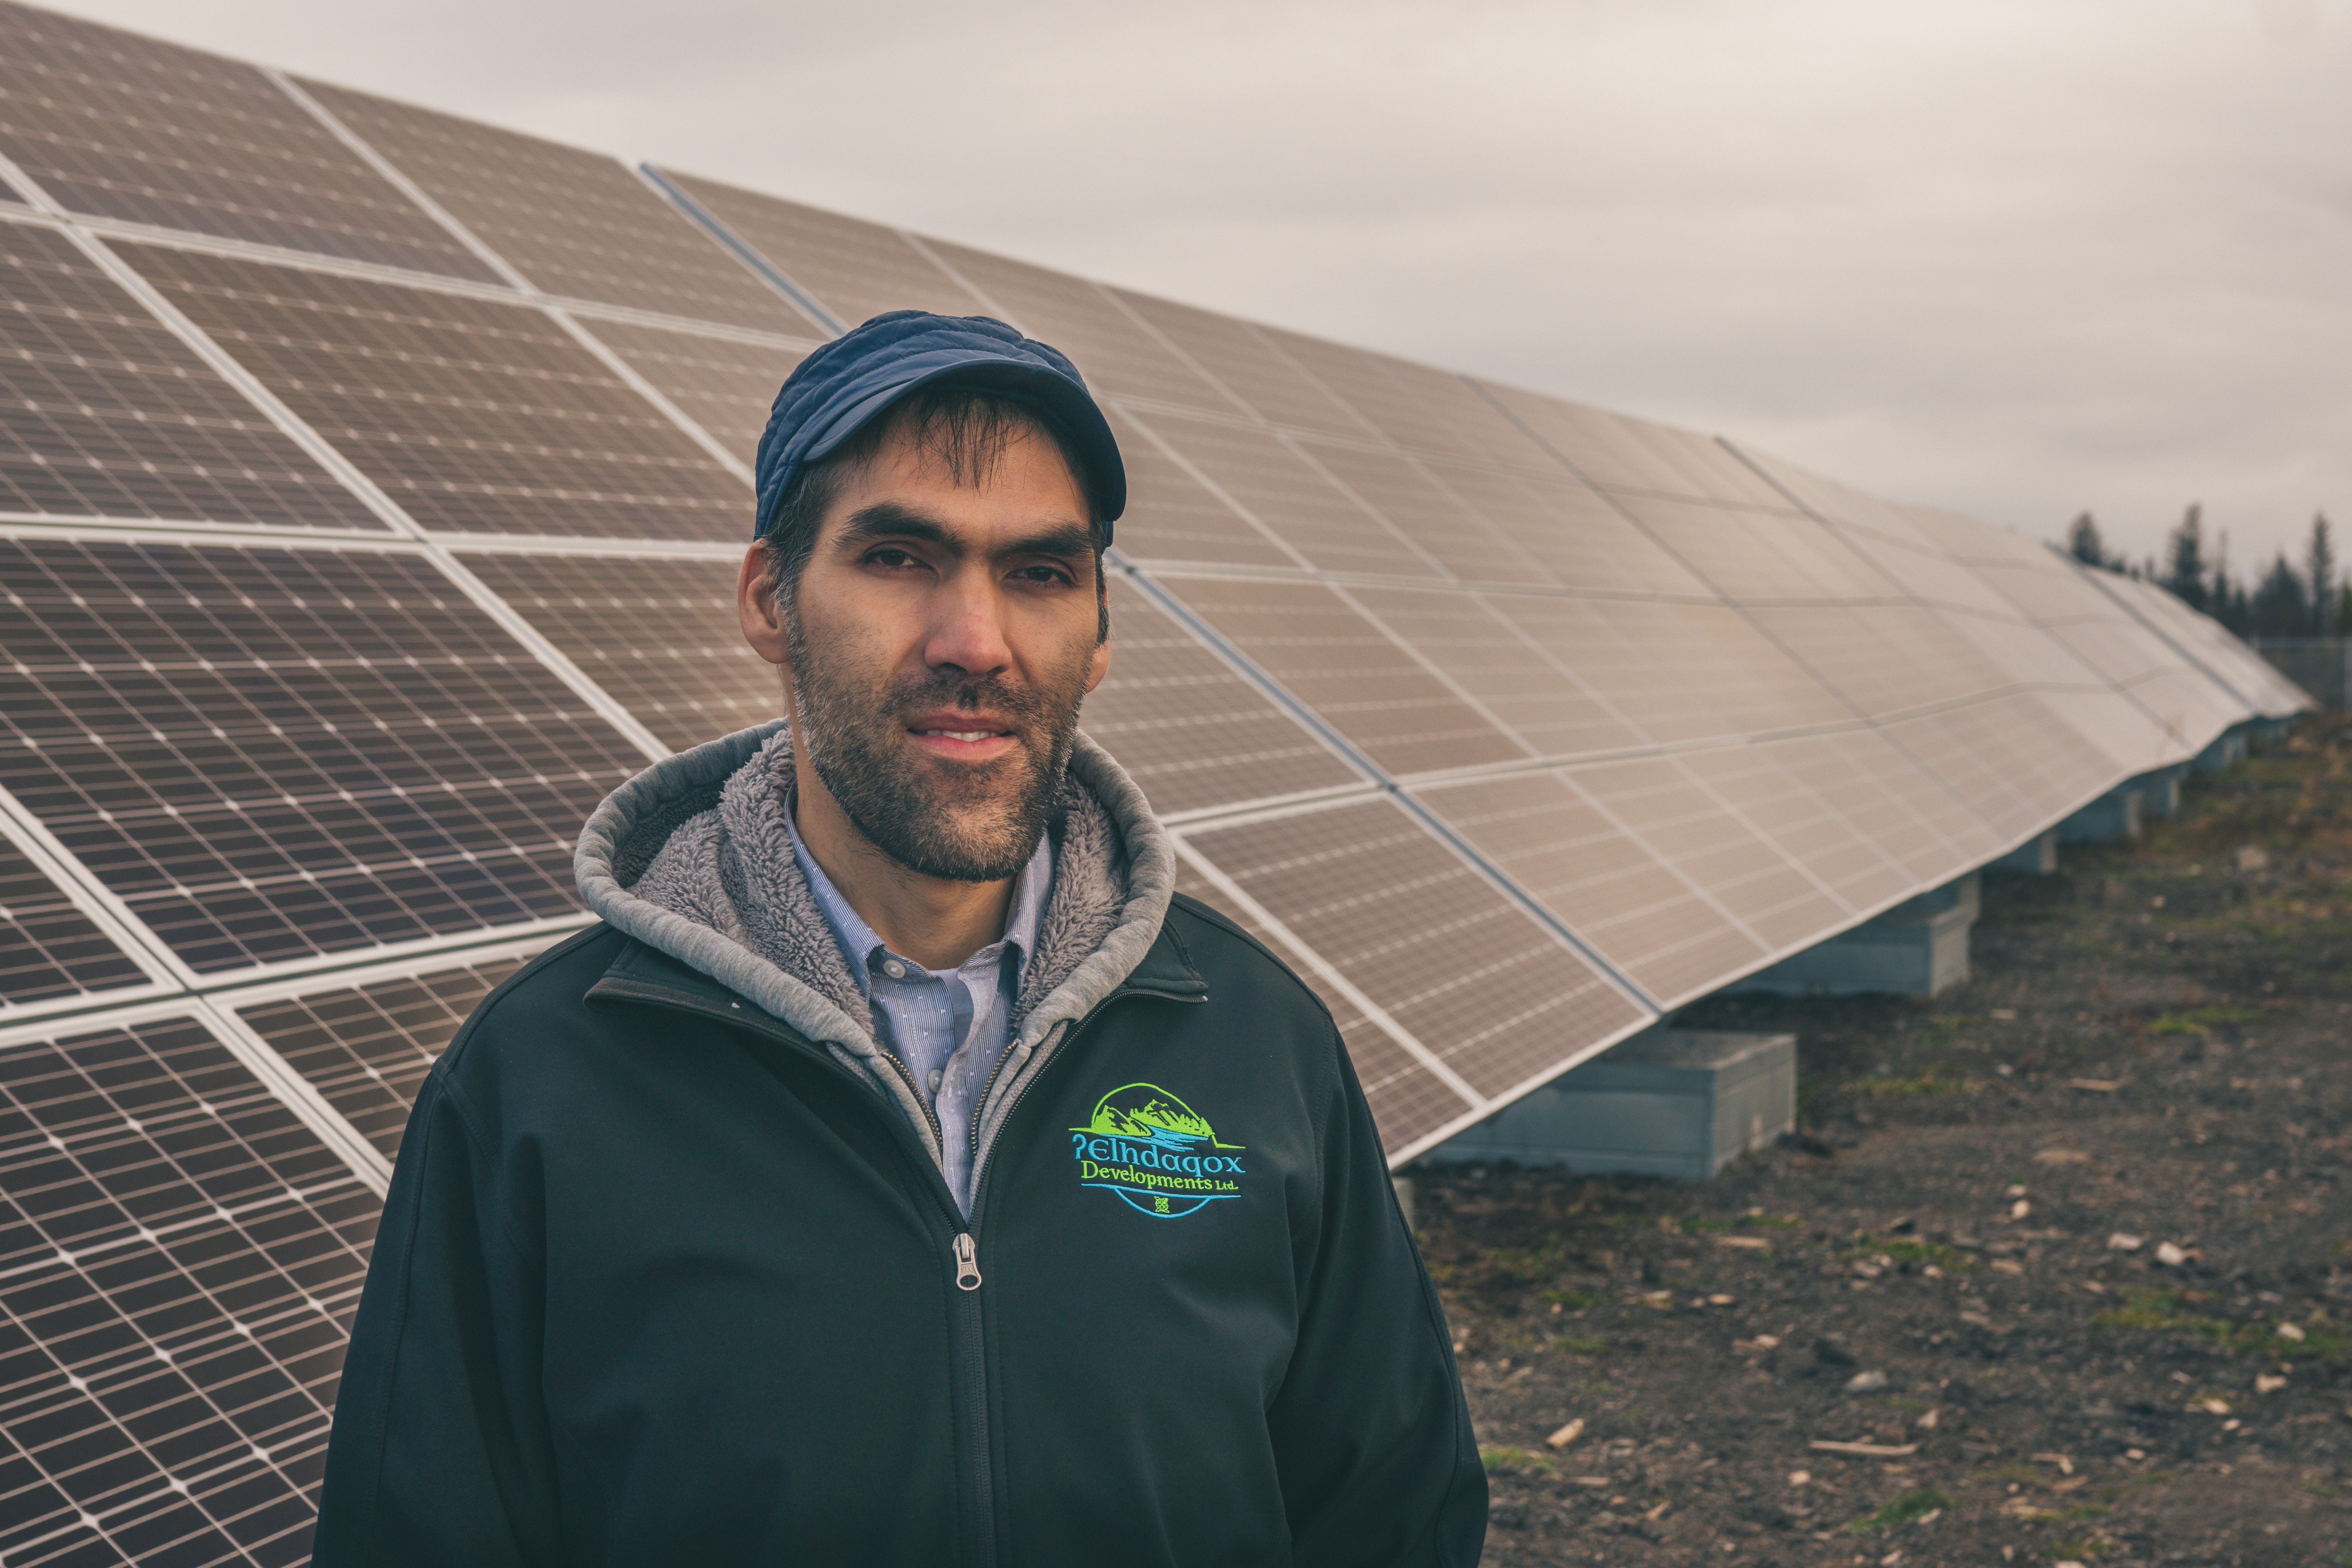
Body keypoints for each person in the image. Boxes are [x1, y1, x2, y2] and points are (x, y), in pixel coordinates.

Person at [314, 310, 1486, 1565]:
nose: (975, 643)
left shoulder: (1253, 1041)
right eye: (899, 557)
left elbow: (1394, 1513)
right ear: (770, 599)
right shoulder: (542, 1081)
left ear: (1098, 635)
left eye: (1039, 573)